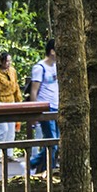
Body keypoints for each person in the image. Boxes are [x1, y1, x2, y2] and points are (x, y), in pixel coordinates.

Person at [29, 40, 60, 172]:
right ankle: (47, 170)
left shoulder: (56, 67)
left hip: (56, 106)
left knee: (56, 142)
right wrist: (34, 111)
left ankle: (35, 165)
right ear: (52, 51)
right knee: (51, 141)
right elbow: (34, 91)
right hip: (45, 107)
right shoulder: (39, 68)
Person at [0, 51, 22, 158]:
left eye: (10, 61)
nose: (8, 63)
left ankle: (9, 154)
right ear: (1, 61)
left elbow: (16, 87)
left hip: (11, 102)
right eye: (6, 61)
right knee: (3, 129)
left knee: (11, 130)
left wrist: (19, 101)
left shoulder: (13, 71)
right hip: (0, 103)